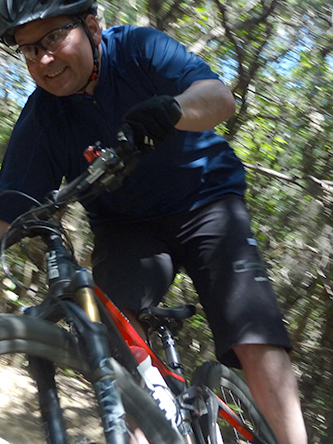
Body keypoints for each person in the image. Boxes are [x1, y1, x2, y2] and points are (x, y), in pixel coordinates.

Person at [0, 1, 307, 442]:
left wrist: (171, 111)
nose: (43, 60)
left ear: (92, 27)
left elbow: (218, 98)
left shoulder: (139, 49)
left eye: (51, 39)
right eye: (28, 51)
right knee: (110, 328)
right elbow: (10, 211)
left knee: (252, 330)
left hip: (206, 199)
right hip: (126, 227)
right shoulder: (43, 115)